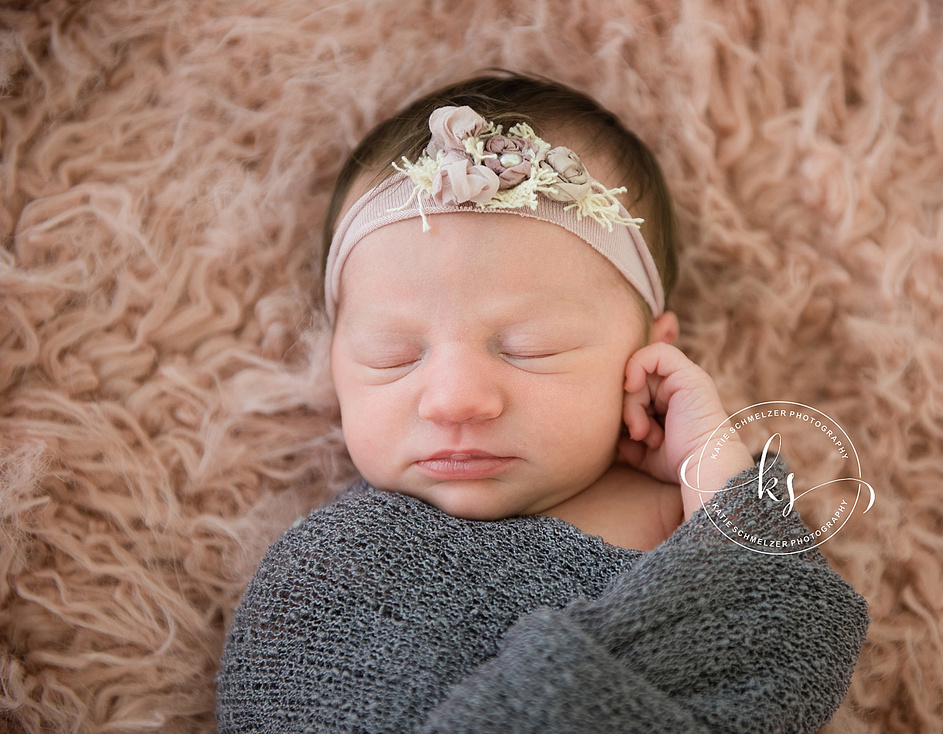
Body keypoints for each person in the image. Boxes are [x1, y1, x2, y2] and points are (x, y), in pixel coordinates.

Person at [216, 71, 869, 733]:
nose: (455, 399)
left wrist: (711, 461)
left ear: (647, 355)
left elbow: (794, 635)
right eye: (393, 354)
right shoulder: (331, 571)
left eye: (530, 347)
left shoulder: (694, 518)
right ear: (336, 367)